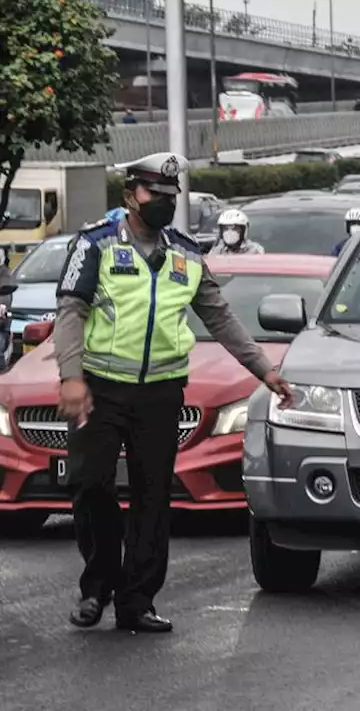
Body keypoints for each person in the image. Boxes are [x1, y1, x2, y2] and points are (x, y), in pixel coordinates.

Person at [54, 153, 293, 632]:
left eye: (169, 197)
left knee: (152, 496)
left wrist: (264, 370)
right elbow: (70, 311)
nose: (162, 203)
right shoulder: (95, 244)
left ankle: (136, 601)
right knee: (91, 486)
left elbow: (219, 317)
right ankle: (97, 584)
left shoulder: (184, 252)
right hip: (100, 389)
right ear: (129, 197)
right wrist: (71, 377)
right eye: (153, 195)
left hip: (160, 393)